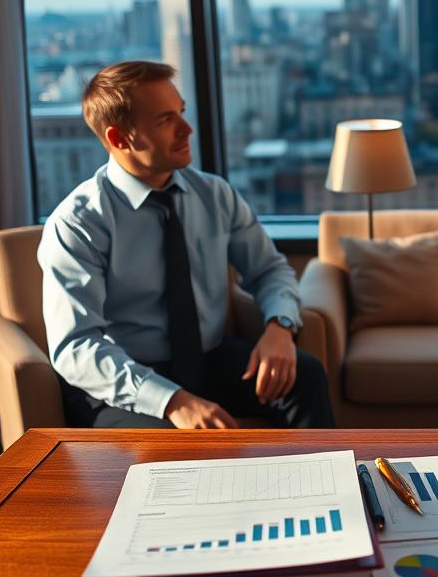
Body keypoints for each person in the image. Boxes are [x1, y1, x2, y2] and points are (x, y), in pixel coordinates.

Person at [39, 60, 333, 430]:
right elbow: (76, 346)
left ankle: (323, 486)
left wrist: (279, 327)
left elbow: (269, 269)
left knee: (305, 377)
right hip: (127, 380)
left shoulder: (214, 194)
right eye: (165, 120)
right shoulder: (78, 222)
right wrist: (172, 401)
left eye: (181, 112)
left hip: (209, 359)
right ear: (119, 139)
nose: (187, 129)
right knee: (176, 449)